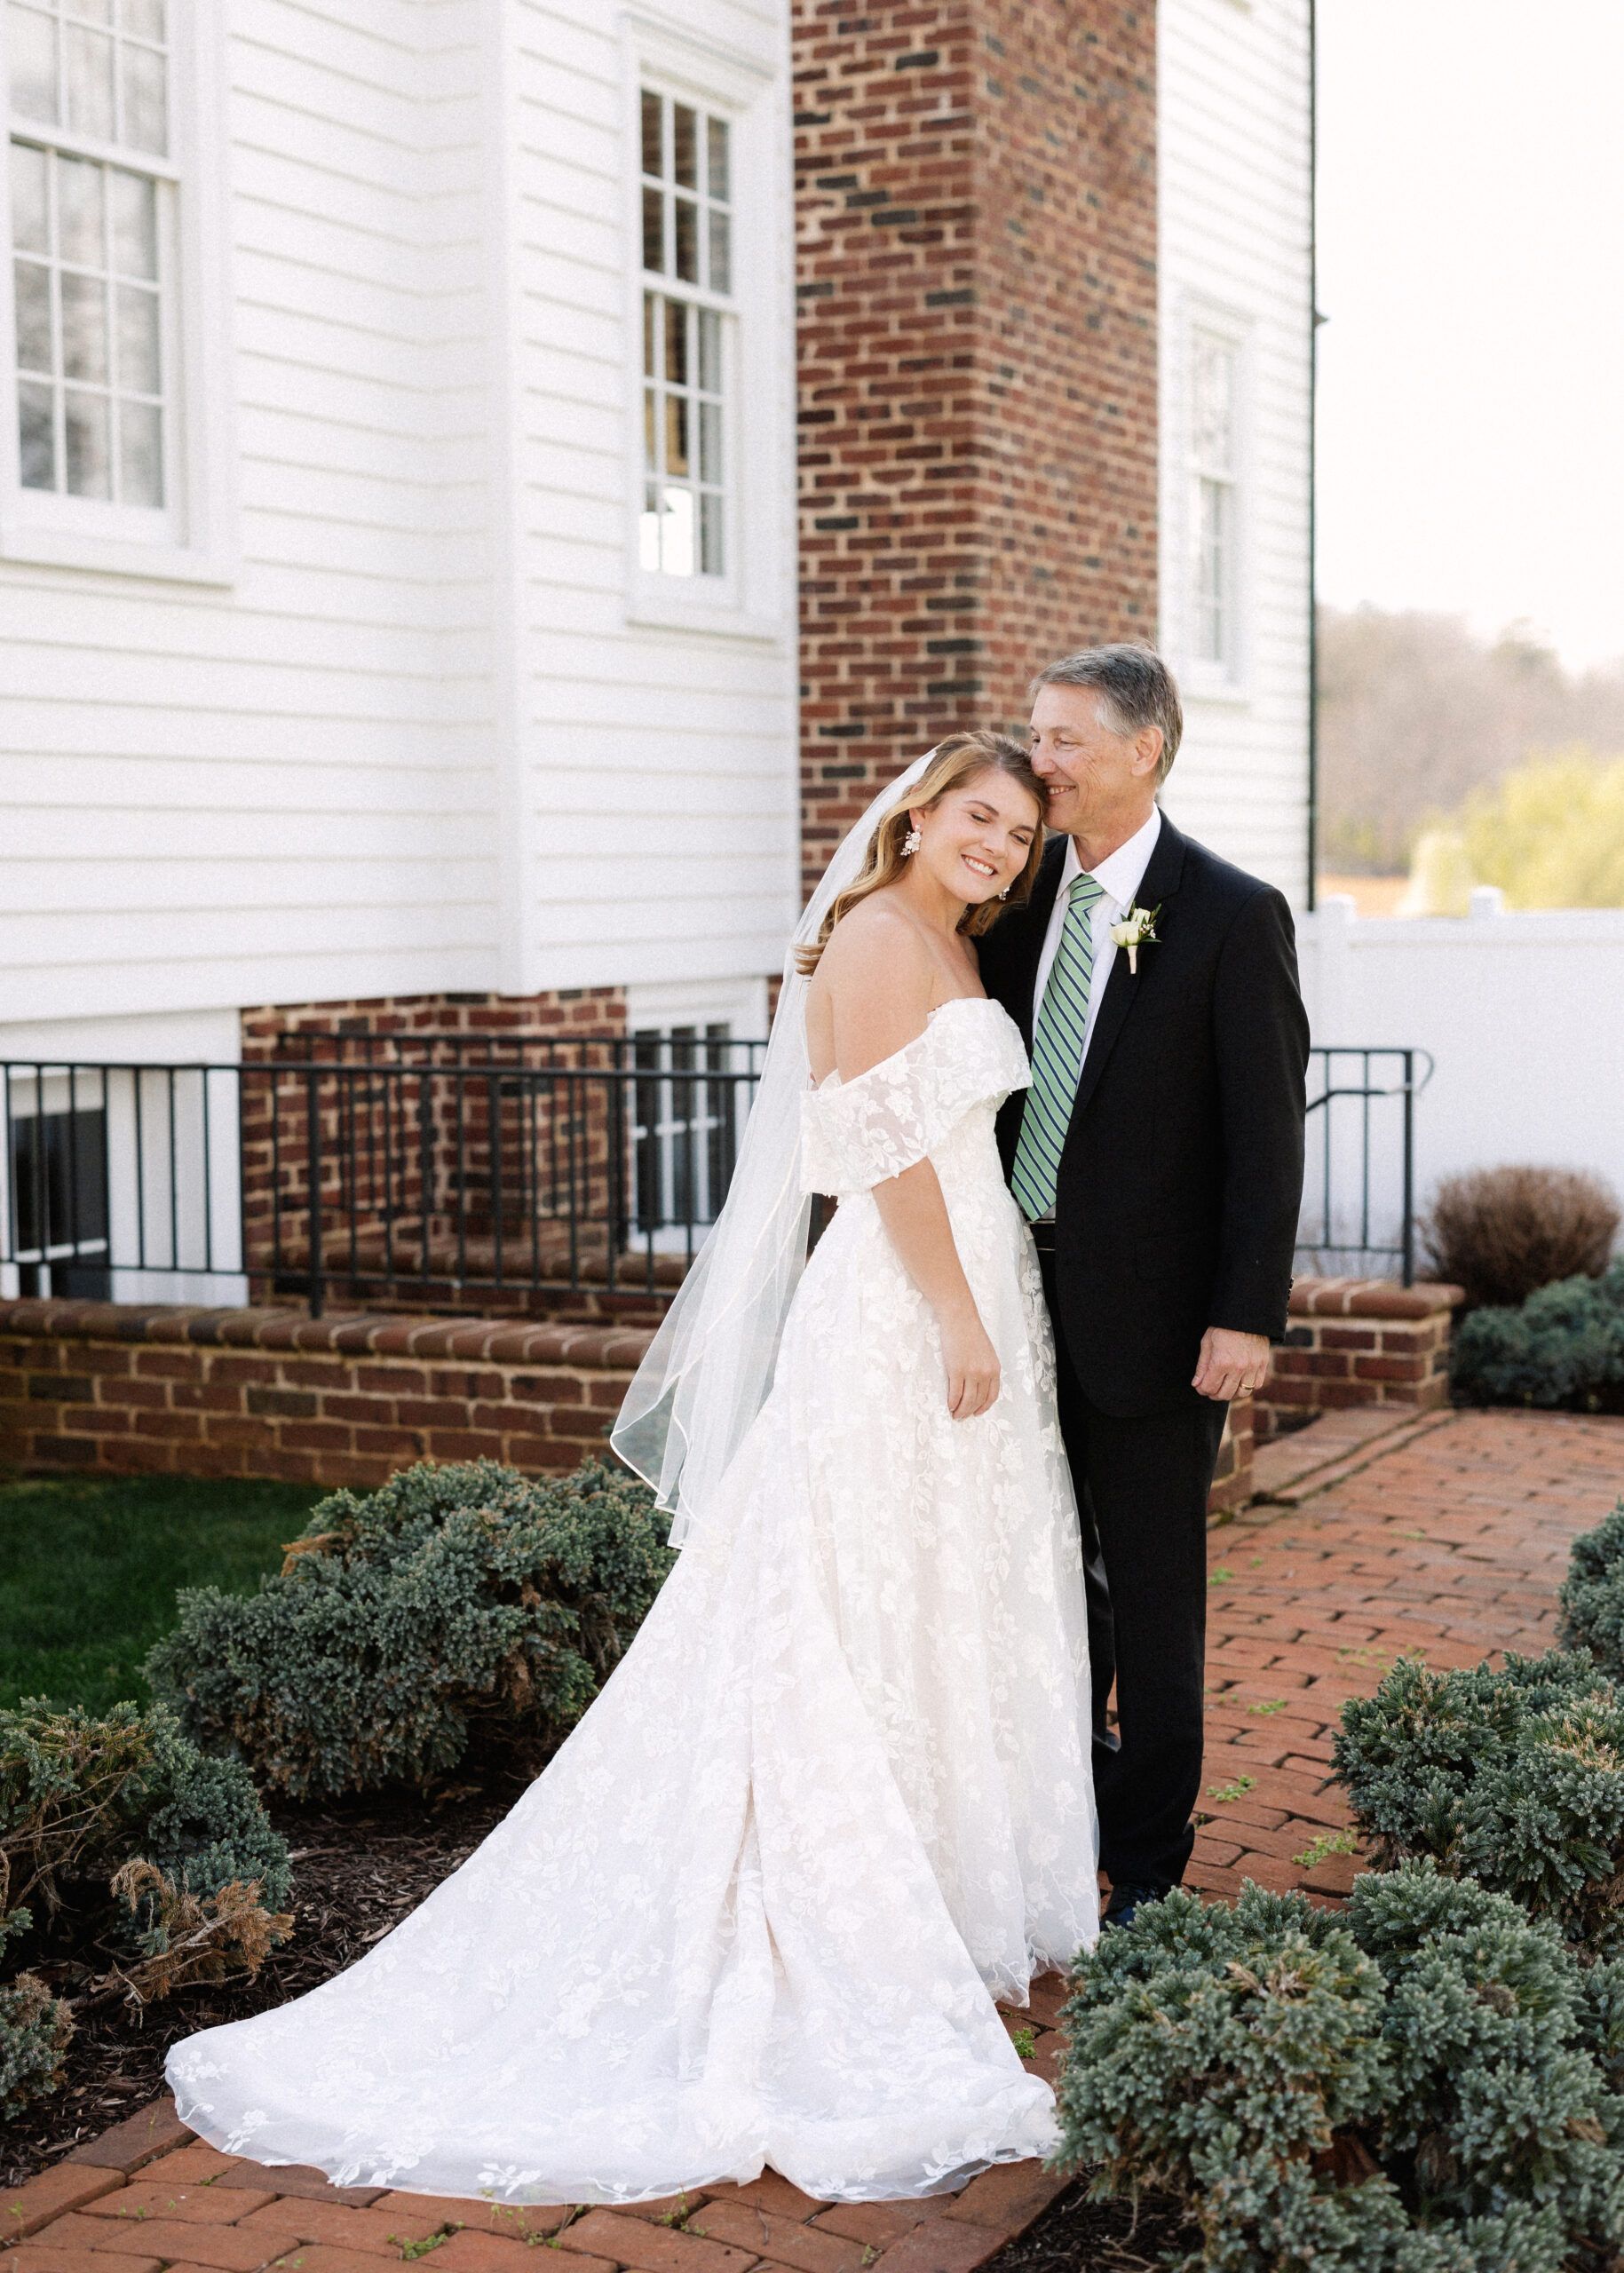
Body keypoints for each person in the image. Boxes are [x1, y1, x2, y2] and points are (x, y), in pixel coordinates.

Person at [164, 731, 1099, 2207]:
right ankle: (842, 1907)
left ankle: (932, 1884)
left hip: (971, 1283)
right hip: (910, 1301)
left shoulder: (948, 936)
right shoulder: (871, 935)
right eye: (979, 818)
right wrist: (957, 1315)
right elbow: (878, 1152)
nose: (1000, 846)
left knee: (941, 1583)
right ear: (919, 814)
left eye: (1020, 835)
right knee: (846, 1590)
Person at [977, 645, 1310, 1930]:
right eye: (1035, 735)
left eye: (1064, 740)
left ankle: (1150, 1871)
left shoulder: (1229, 913)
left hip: (1162, 1326)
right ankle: (1061, 1830)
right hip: (1013, 1301)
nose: (1038, 761)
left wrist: (1245, 1312)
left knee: (1151, 1600)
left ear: (1142, 750)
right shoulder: (1015, 900)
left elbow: (1264, 1137)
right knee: (1043, 1587)